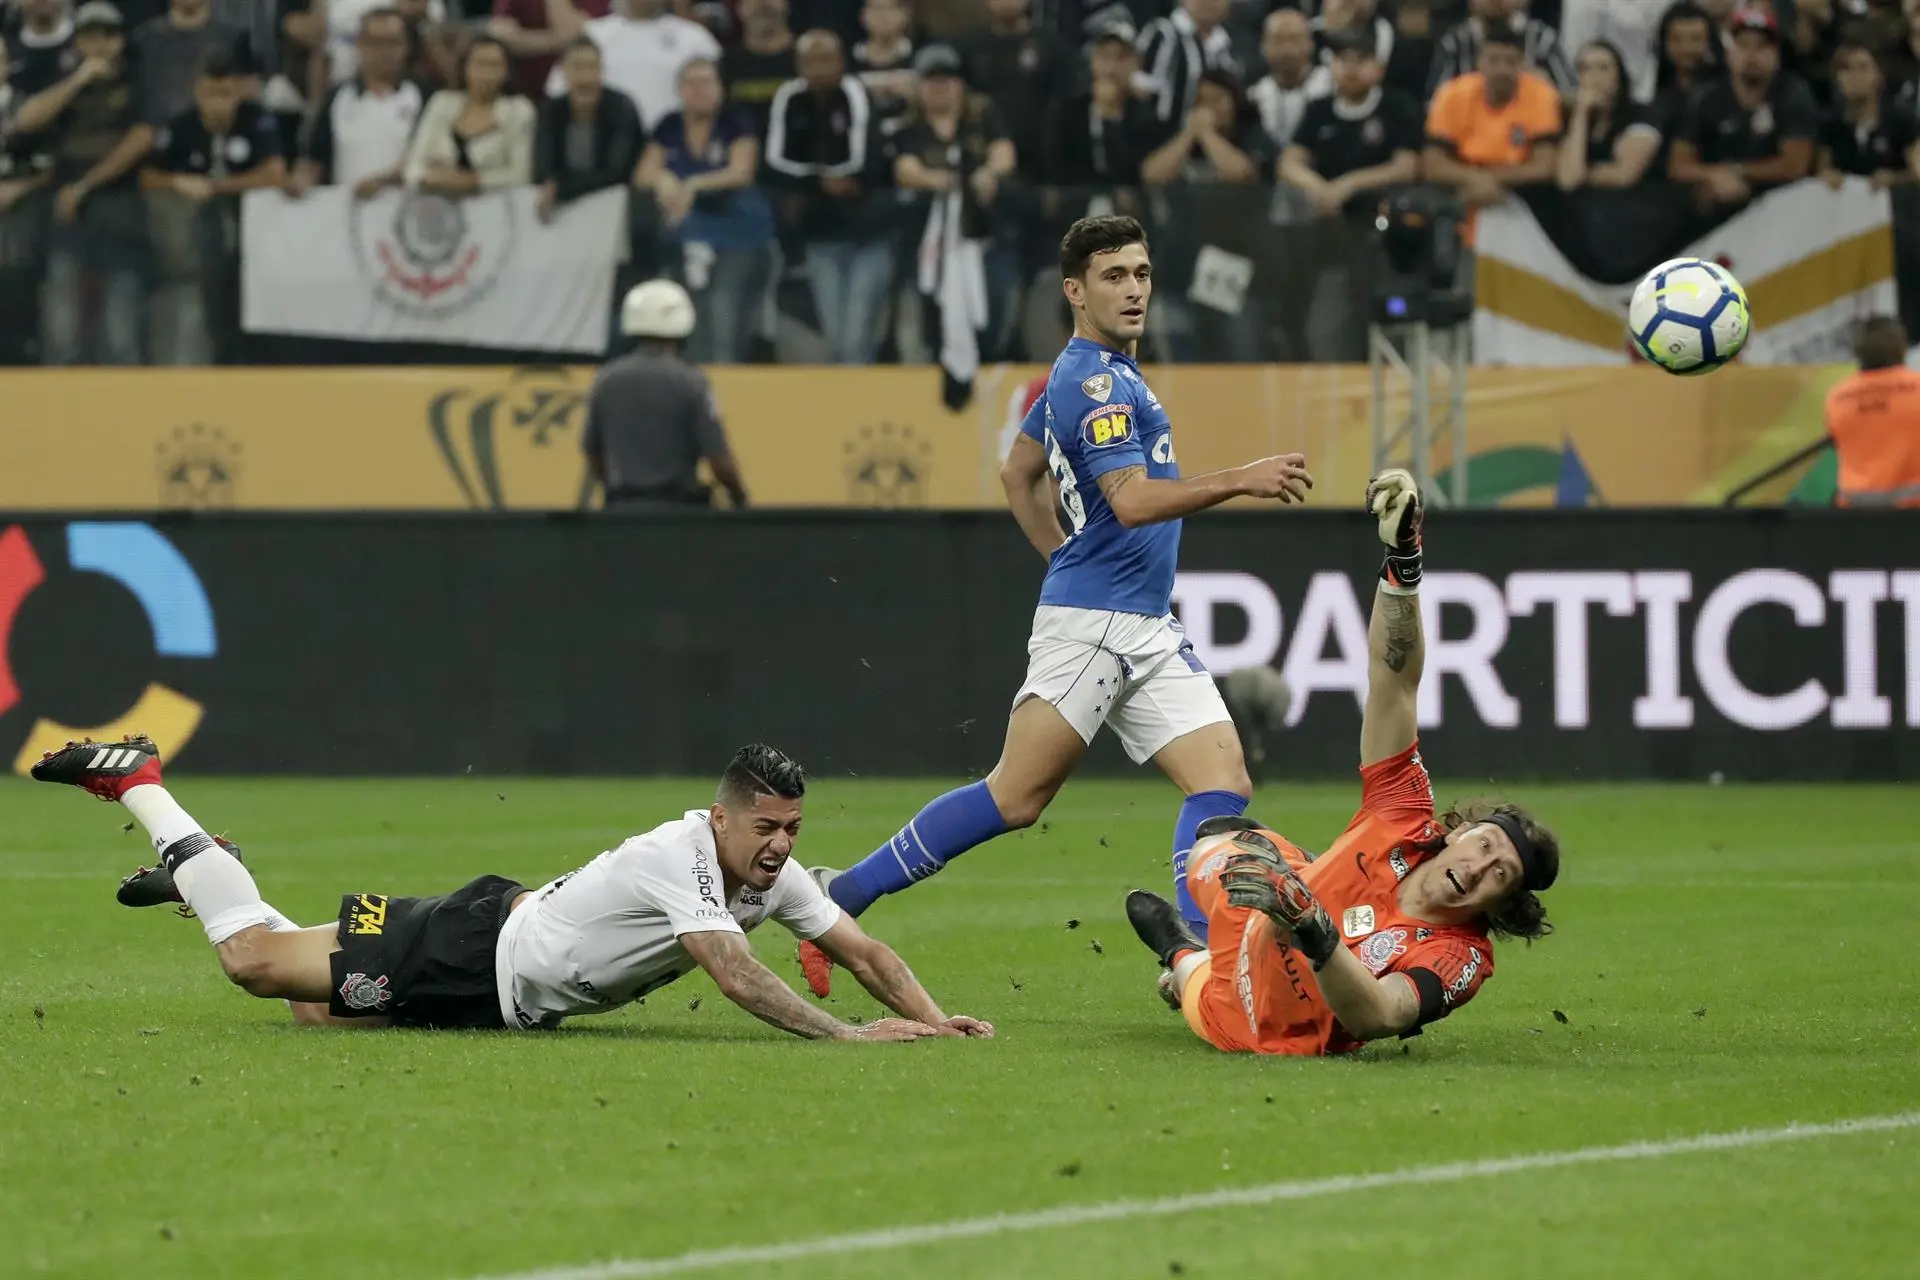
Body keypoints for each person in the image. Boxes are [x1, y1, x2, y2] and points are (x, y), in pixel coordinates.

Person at [799, 215, 1315, 994]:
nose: (1134, 289)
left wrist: (1062, 558)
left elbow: (1017, 472)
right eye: (1114, 276)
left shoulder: (1097, 373)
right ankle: (841, 897)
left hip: (1137, 618)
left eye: (1141, 273)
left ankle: (1204, 960)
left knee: (1223, 781)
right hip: (1100, 626)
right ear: (1075, 291)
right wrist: (1242, 477)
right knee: (1015, 798)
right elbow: (1135, 502)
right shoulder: (1096, 381)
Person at [37, 735, 990, 1041]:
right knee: (253, 966)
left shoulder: (764, 875)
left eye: (793, 830)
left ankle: (207, 869)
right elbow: (736, 976)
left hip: (496, 985)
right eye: (767, 827)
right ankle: (143, 787)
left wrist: (935, 1021)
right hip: (472, 950)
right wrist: (852, 1039)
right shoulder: (680, 852)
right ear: (722, 816)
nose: (782, 847)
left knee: (315, 1012)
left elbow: (862, 948)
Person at [1124, 468, 1561, 1056]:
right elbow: (1394, 684)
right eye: (1485, 846)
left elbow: (1382, 1014)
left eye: (1500, 876)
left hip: (1254, 1025)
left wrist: (1315, 929)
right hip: (1257, 911)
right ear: (1459, 832)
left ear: (1501, 907)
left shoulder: (1461, 956)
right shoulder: (1405, 816)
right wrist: (1403, 564)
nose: (1480, 869)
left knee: (1191, 982)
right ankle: (1280, 876)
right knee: (1214, 842)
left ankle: (1179, 949)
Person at [638, 57, 777, 363]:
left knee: (724, 310)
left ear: (720, 89)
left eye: (707, 83)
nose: (700, 91)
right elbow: (643, 173)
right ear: (679, 90)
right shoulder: (669, 125)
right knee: (689, 313)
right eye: (691, 83)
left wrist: (693, 184)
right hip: (688, 240)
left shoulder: (736, 122)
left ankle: (726, 382)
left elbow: (741, 171)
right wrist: (663, 178)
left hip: (739, 236)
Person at [583, 278, 749, 507]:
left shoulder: (605, 379)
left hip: (621, 511)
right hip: (678, 515)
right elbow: (719, 460)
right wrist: (740, 497)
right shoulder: (691, 380)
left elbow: (592, 452)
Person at [1667, 7, 1815, 213]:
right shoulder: (1706, 96)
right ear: (1730, 52)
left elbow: (1795, 166)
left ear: (1776, 55)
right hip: (1719, 197)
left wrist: (1736, 171)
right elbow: (1678, 164)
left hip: (1780, 202)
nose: (1752, 55)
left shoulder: (1792, 92)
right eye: (1743, 45)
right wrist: (1713, 175)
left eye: (1761, 46)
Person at [1423, 25, 1562, 225]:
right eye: (1494, 60)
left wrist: (1492, 179)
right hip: (1462, 186)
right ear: (1479, 62)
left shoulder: (1541, 94)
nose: (1502, 69)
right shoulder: (1451, 94)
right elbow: (1433, 164)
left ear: (1522, 64)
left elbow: (1544, 166)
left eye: (1510, 61)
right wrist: (1475, 179)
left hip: (1520, 190)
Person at [288, 8, 426, 199]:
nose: (386, 52)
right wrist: (300, 180)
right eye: (377, 43)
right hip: (348, 212)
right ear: (360, 44)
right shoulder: (337, 98)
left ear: (407, 47)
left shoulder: (425, 95)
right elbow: (314, 158)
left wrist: (384, 181)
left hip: (410, 210)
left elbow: (432, 156)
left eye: (394, 43)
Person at [403, 36, 535, 196]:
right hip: (438, 208)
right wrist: (427, 178)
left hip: (495, 207)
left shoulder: (519, 110)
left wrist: (471, 181)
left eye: (494, 65)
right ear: (465, 68)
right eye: (480, 64)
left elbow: (520, 174)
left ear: (506, 72)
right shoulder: (442, 103)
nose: (486, 73)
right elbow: (414, 163)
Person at [533, 35, 644, 222]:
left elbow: (616, 172)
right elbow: (542, 168)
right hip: (562, 207)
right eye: (577, 68)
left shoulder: (622, 107)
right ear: (564, 73)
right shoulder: (550, 111)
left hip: (616, 205)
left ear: (602, 71)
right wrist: (556, 188)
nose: (585, 77)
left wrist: (561, 189)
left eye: (592, 67)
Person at [1824, 314, 1920, 508]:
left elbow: (1835, 441)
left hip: (1856, 516)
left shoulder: (1837, 396)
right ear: (1901, 347)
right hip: (1911, 516)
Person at [1555, 38, 1659, 190]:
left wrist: (1583, 173)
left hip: (1628, 203)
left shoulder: (1642, 114)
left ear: (1619, 75)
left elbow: (1623, 175)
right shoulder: (1572, 117)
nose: (1594, 76)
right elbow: (1568, 180)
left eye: (1603, 68)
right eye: (1585, 69)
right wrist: (1581, 112)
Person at [1817, 40, 1916, 190]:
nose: (1854, 76)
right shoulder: (1830, 124)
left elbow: (1917, 173)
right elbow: (1823, 170)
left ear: (1879, 75)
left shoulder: (1902, 121)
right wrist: (1828, 177)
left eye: (1862, 68)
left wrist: (1894, 179)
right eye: (1846, 69)